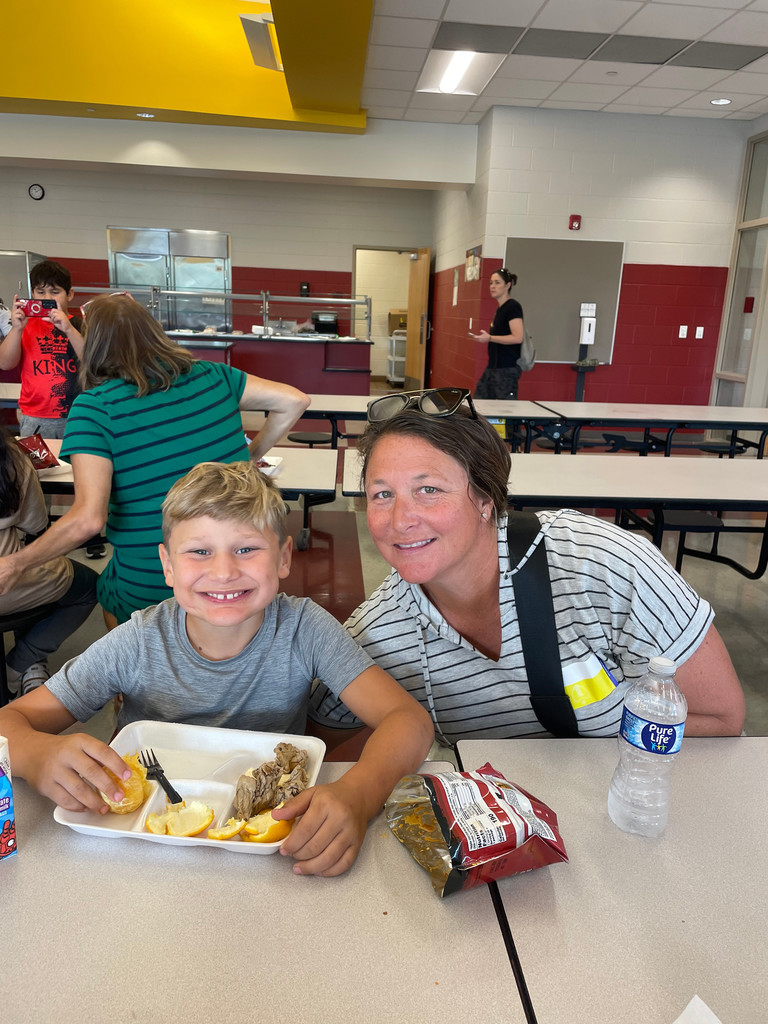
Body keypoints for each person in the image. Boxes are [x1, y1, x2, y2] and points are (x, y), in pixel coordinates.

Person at [0, 461, 434, 877]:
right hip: (141, 849)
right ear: (168, 565)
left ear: (284, 558)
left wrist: (358, 795)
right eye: (199, 551)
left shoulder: (305, 628)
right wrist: (36, 755)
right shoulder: (137, 641)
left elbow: (409, 721)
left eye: (246, 549)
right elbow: (9, 722)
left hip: (261, 843)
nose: (223, 571)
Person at [309, 388, 746, 746]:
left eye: (428, 489)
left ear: (484, 498)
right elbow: (319, 742)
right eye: (381, 494)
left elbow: (722, 717)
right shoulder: (379, 633)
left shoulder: (603, 566)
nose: (400, 520)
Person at [0, 293, 310, 627]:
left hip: (157, 577)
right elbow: (295, 400)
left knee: (107, 590)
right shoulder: (215, 376)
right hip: (237, 567)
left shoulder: (95, 408)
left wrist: (16, 564)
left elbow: (89, 520)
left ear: (94, 345)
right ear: (154, 331)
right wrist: (249, 459)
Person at [0, 424, 98, 695]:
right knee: (90, 586)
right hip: (7, 582)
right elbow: (35, 524)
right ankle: (22, 661)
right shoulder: (12, 456)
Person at [0, 260, 85, 438]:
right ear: (32, 294)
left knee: (76, 465)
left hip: (78, 414)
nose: (46, 299)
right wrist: (17, 328)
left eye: (55, 292)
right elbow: (6, 363)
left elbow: (93, 360)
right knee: (40, 466)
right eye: (40, 292)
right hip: (36, 416)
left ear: (69, 294)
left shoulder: (78, 325)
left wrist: (68, 328)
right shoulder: (25, 325)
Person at [469, 267, 524, 400]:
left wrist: (490, 338)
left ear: (508, 285)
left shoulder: (513, 307)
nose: (492, 286)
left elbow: (518, 337)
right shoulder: (500, 309)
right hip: (493, 367)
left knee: (503, 411)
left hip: (506, 369)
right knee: (479, 402)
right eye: (491, 283)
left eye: (497, 283)